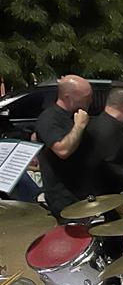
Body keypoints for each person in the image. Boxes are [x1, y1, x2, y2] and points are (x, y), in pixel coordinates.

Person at [35, 74, 93, 217]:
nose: (90, 101)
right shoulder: (49, 118)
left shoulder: (77, 114)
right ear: (68, 97)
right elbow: (63, 150)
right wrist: (79, 126)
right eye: (86, 97)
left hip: (85, 193)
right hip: (65, 198)